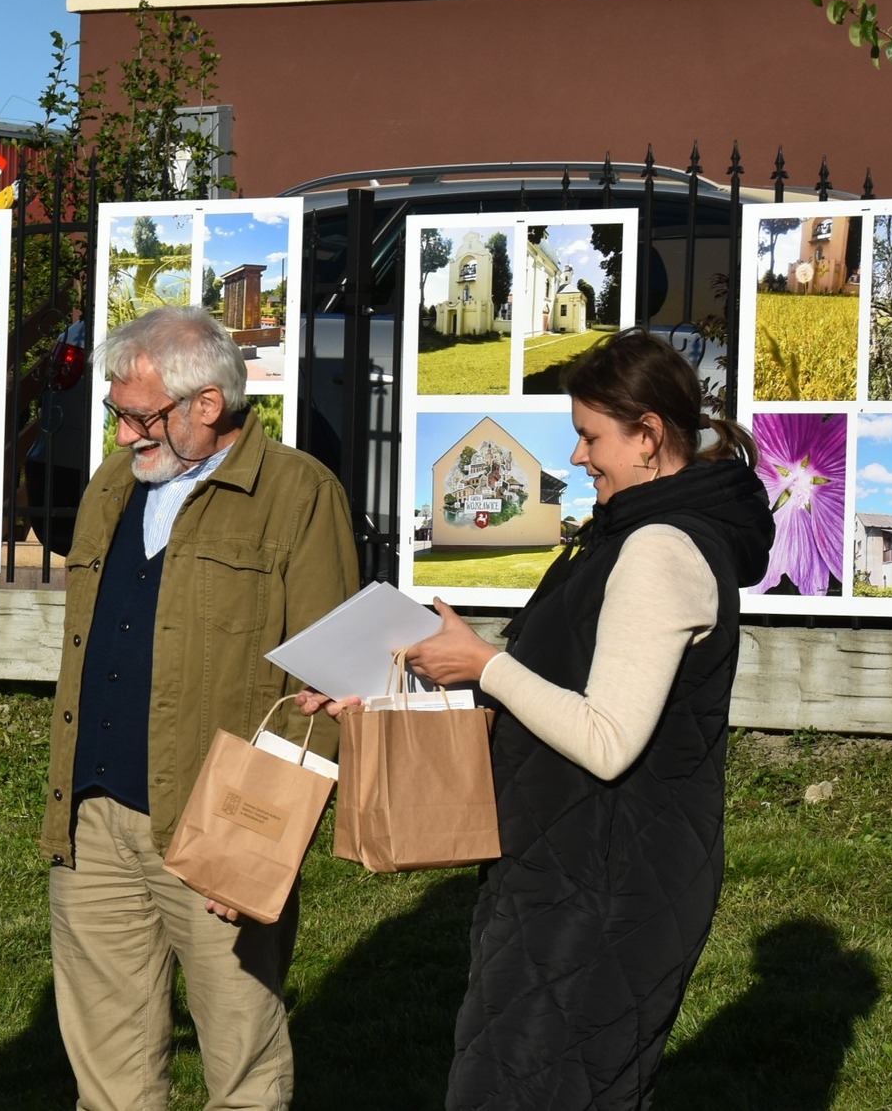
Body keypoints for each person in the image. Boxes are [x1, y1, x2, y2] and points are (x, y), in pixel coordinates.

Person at [376, 329, 772, 1109]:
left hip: (607, 890)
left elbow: (606, 738)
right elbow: (554, 683)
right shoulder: (624, 536)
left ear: (649, 435)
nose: (580, 457)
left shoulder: (659, 548)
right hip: (565, 870)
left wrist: (485, 664)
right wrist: (413, 673)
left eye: (592, 437)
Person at [42, 304, 358, 1111]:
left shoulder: (297, 495)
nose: (121, 437)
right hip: (96, 823)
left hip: (219, 826)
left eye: (139, 417)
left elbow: (328, 688)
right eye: (117, 415)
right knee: (106, 1081)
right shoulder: (116, 485)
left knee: (243, 1071)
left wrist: (261, 842)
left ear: (206, 405)